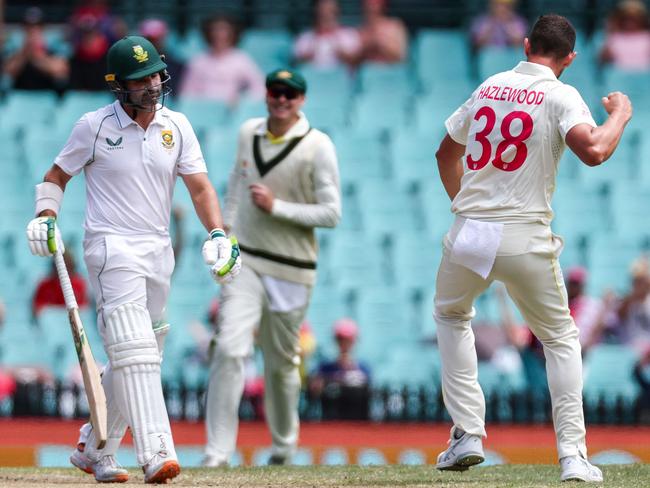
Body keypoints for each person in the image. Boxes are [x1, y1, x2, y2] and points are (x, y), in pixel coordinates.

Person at [25, 35, 241, 483]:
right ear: (118, 85)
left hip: (158, 249)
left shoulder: (177, 125)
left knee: (141, 351)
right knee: (134, 349)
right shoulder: (94, 126)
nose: (152, 86)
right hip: (110, 245)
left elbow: (200, 187)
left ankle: (94, 449)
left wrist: (218, 231)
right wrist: (46, 216)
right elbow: (56, 175)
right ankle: (156, 452)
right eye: (140, 81)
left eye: (155, 75)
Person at [433, 14, 631, 482]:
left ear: (525, 45)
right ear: (569, 58)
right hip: (524, 233)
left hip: (471, 230)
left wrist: (466, 207)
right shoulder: (561, 94)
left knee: (451, 315)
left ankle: (467, 433)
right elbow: (595, 150)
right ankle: (573, 457)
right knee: (560, 340)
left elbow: (445, 153)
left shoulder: (489, 86)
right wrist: (620, 112)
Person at [202, 68, 341, 467]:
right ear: (265, 94)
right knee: (229, 348)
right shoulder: (248, 132)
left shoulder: (318, 146)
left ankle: (284, 445)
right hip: (246, 258)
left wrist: (276, 207)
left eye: (290, 94)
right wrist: (223, 234)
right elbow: (234, 184)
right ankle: (218, 452)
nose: (281, 99)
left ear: (302, 100)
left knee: (281, 363)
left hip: (293, 267)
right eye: (275, 92)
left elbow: (331, 213)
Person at [179, 15, 265, 105]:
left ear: (232, 33)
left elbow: (260, 88)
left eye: (224, 30)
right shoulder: (198, 61)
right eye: (215, 30)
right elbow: (186, 94)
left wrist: (241, 99)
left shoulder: (241, 59)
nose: (219, 35)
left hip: (232, 113)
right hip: (204, 110)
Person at [308, 318, 371, 420]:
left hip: (358, 423)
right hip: (331, 423)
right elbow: (313, 393)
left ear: (354, 341)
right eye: (340, 339)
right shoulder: (324, 368)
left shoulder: (363, 369)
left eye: (348, 339)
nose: (344, 343)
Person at [3, 6, 69, 93]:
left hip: (47, 96)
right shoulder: (14, 45)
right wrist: (25, 53)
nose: (33, 30)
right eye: (29, 26)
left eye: (37, 26)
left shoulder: (54, 45)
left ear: (43, 28)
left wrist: (37, 56)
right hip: (19, 97)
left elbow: (60, 69)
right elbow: (7, 70)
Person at [293, 0, 361, 70]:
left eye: (330, 11)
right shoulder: (305, 37)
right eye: (323, 10)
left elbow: (354, 62)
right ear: (316, 12)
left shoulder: (349, 34)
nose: (326, 15)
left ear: (337, 11)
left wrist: (335, 38)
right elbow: (298, 63)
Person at [32, 250, 89, 319]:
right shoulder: (45, 285)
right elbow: (37, 310)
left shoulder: (79, 285)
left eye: (66, 266)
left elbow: (84, 311)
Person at [600, 0, 650, 71]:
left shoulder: (647, 37)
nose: (629, 22)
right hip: (618, 78)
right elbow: (603, 61)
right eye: (626, 18)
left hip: (644, 78)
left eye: (634, 18)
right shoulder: (613, 37)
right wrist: (609, 32)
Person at [139, 18, 185, 96]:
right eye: (149, 39)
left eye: (157, 38)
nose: (153, 43)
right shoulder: (134, 65)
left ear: (164, 37)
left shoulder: (177, 66)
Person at [355, 0, 408, 64]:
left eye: (375, 3)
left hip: (392, 71)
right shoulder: (360, 30)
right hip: (367, 71)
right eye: (369, 3)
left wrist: (380, 45)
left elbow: (401, 56)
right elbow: (355, 59)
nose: (371, 6)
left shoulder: (394, 26)